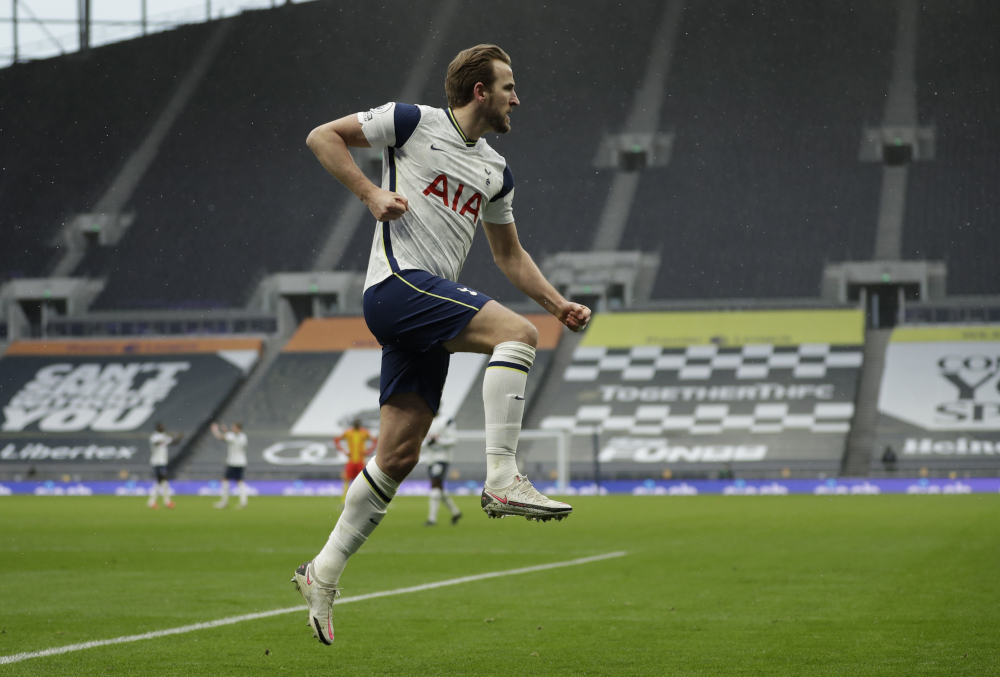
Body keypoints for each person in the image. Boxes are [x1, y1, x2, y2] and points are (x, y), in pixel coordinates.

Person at [292, 44, 591, 645]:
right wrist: (370, 194)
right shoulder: (412, 121)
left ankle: (321, 573)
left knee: (399, 456)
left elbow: (508, 255)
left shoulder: (497, 170)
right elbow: (321, 136)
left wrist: (557, 302)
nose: (516, 98)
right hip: (397, 286)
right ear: (480, 91)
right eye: (508, 86)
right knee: (517, 334)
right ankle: (503, 477)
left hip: (424, 309)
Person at [423, 414, 462, 526]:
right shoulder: (426, 420)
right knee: (439, 488)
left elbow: (453, 440)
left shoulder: (446, 421)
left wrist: (438, 441)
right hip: (430, 459)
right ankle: (456, 512)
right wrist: (428, 442)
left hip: (442, 458)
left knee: (435, 486)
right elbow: (423, 441)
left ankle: (432, 519)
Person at [334, 419, 377, 505]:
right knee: (347, 479)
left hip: (360, 461)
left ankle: (363, 500)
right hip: (351, 460)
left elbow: (375, 441)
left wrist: (368, 451)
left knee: (363, 480)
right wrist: (344, 451)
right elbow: (336, 440)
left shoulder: (364, 432)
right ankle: (344, 501)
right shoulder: (348, 432)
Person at [210, 422, 249, 509]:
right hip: (241, 462)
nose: (233, 429)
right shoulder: (243, 436)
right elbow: (229, 436)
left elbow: (220, 437)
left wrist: (215, 430)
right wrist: (226, 431)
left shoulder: (234, 436)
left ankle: (225, 502)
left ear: (238, 428)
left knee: (226, 481)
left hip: (234, 463)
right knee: (239, 481)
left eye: (234, 427)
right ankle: (243, 502)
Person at [148, 422, 182, 509]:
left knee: (161, 482)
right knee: (163, 480)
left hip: (163, 462)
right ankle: (165, 502)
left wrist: (179, 438)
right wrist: (165, 438)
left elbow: (173, 443)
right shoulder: (154, 436)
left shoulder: (164, 436)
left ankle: (153, 502)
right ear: (157, 428)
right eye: (161, 426)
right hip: (157, 462)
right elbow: (156, 443)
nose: (163, 427)